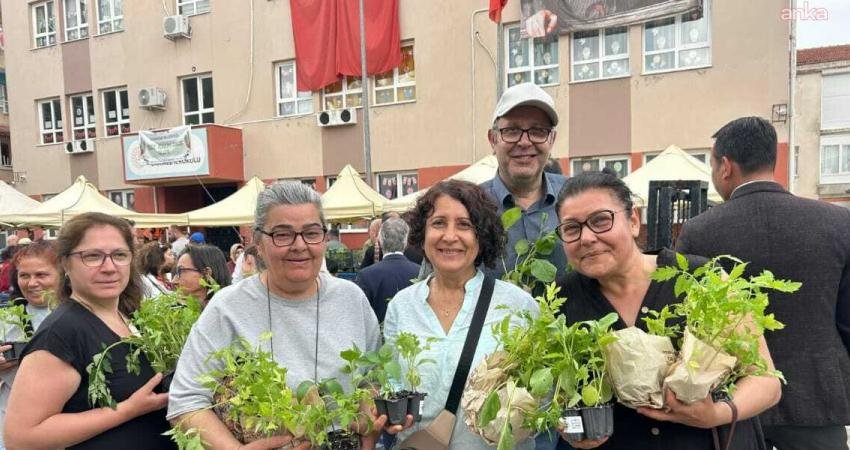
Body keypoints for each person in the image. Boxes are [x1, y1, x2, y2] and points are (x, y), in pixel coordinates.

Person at [554, 170, 781, 450]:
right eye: (571, 228)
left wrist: (713, 415)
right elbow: (560, 397)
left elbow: (766, 381)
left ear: (633, 221)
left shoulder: (703, 280)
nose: (586, 237)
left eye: (601, 220)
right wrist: (571, 431)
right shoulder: (561, 300)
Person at [675, 117, 850, 450]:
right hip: (818, 398)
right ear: (774, 159)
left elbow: (687, 322)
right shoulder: (839, 222)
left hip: (733, 403)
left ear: (725, 166)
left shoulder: (699, 231)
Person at [167, 181, 382, 450]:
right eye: (282, 234)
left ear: (324, 238)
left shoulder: (351, 299)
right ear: (258, 243)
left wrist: (369, 421)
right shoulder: (228, 308)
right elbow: (186, 401)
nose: (299, 245)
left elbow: (375, 377)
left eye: (312, 233)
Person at [384, 180, 538, 449]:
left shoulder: (518, 306)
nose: (450, 236)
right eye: (439, 223)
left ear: (482, 236)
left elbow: (541, 395)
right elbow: (390, 380)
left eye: (464, 225)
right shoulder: (402, 305)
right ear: (423, 233)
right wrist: (389, 414)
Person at [4, 212, 174, 450]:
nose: (109, 267)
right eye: (92, 256)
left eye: (119, 255)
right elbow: (22, 438)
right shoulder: (63, 331)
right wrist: (127, 410)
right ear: (65, 263)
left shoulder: (129, 316)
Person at [480, 82, 568, 281]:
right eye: (511, 131)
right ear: (493, 140)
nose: (525, 142)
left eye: (538, 131)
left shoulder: (578, 197)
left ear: (552, 140)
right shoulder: (469, 207)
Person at [0, 241, 61, 450]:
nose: (32, 283)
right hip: (12, 421)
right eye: (24, 276)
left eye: (41, 275)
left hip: (64, 425)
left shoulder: (79, 315)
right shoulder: (7, 319)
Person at [355, 218, 420, 323]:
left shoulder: (366, 275)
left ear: (380, 241)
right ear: (406, 243)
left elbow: (359, 316)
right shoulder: (419, 272)